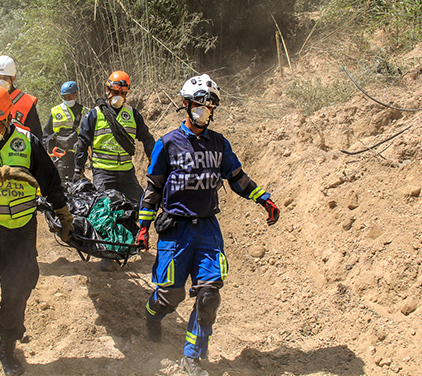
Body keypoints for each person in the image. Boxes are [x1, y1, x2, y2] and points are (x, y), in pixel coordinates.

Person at [136, 74, 280, 376]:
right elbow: (153, 189)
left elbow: (238, 178)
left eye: (210, 106)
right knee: (170, 297)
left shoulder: (219, 143)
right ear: (186, 105)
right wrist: (142, 227)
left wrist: (263, 198)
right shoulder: (167, 144)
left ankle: (192, 357)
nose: (205, 110)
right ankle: (152, 315)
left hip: (207, 230)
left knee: (209, 295)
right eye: (200, 104)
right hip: (175, 231)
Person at [0, 84, 73, 376]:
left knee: (17, 290)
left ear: (8, 118)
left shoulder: (27, 141)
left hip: (20, 229)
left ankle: (7, 348)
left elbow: (50, 178)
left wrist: (62, 212)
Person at [73, 70, 155, 271]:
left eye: (122, 92)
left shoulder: (133, 115)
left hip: (126, 170)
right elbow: (82, 143)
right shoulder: (94, 115)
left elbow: (147, 138)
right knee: (104, 211)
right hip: (102, 171)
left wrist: (155, 161)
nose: (117, 95)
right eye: (113, 91)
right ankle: (106, 255)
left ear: (127, 93)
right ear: (107, 90)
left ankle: (131, 239)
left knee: (140, 205)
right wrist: (78, 169)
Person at [42, 81, 89, 183]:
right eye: (64, 97)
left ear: (75, 94)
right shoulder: (56, 111)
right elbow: (46, 133)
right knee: (60, 182)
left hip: (76, 154)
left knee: (77, 182)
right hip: (59, 154)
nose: (66, 100)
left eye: (69, 97)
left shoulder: (84, 111)